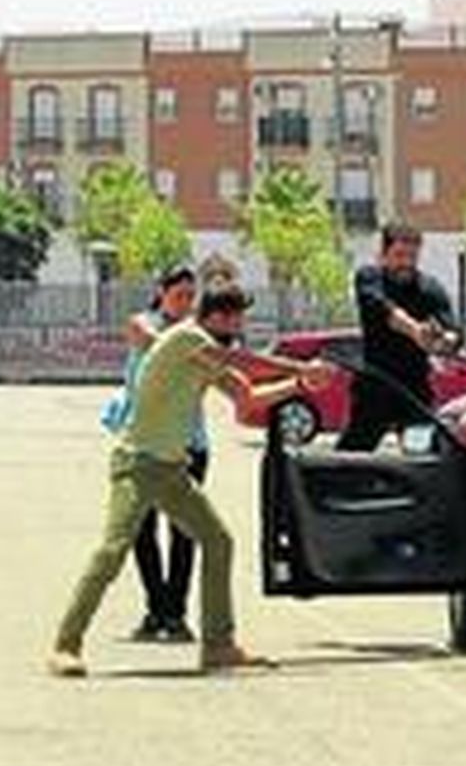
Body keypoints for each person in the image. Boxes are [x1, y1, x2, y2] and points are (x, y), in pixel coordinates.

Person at [48, 283, 333, 678]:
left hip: (171, 470)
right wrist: (301, 368)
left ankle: (218, 645)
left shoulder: (202, 354)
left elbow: (246, 398)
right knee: (113, 550)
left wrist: (301, 386)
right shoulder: (186, 336)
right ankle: (66, 644)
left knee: (218, 541)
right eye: (237, 319)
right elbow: (239, 359)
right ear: (219, 317)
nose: (240, 327)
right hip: (137, 463)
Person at [101, 265, 210, 644]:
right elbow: (155, 345)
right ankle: (157, 607)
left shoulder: (199, 335)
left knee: (185, 531)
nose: (185, 303)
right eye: (178, 295)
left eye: (190, 297)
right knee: (140, 530)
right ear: (160, 293)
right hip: (143, 444)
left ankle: (175, 614)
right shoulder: (142, 324)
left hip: (188, 443)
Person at [337, 222, 462, 452]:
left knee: (422, 458)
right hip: (376, 387)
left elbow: (453, 330)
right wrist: (416, 331)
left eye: (412, 256)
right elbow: (385, 311)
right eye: (399, 255)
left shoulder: (429, 288)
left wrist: (444, 341)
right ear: (383, 255)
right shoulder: (369, 277)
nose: (406, 263)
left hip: (414, 390)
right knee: (352, 458)